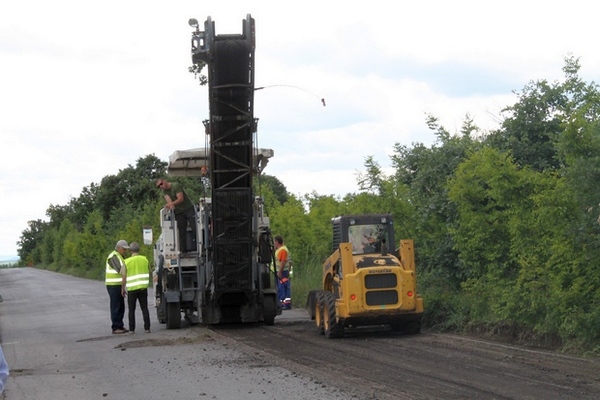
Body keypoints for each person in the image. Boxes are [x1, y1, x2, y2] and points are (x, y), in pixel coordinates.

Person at [156, 178, 196, 253]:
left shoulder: (176, 186)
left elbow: (181, 199)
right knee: (181, 231)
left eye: (161, 184)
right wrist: (170, 206)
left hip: (188, 208)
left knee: (195, 228)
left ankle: (199, 246)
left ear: (164, 181)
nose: (161, 186)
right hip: (178, 212)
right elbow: (169, 202)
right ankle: (183, 251)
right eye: (159, 186)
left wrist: (170, 204)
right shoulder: (164, 192)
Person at [122, 242, 151, 334]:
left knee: (131, 309)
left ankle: (131, 329)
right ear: (139, 250)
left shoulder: (126, 262)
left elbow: (124, 277)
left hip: (132, 289)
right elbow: (150, 271)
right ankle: (147, 328)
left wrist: (123, 288)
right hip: (143, 288)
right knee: (144, 308)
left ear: (130, 251)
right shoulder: (144, 259)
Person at [106, 240, 129, 334]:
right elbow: (121, 270)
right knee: (116, 306)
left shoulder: (120, 256)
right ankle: (115, 327)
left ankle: (120, 325)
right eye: (124, 249)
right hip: (113, 285)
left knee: (121, 306)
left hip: (118, 285)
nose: (125, 251)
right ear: (119, 248)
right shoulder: (113, 256)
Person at [274, 235, 292, 310]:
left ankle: (286, 304)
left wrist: (280, 272)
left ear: (277, 242)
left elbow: (283, 261)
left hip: (282, 272)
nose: (274, 243)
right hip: (282, 271)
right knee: (281, 288)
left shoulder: (282, 250)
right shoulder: (280, 249)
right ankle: (281, 304)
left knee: (283, 288)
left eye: (274, 241)